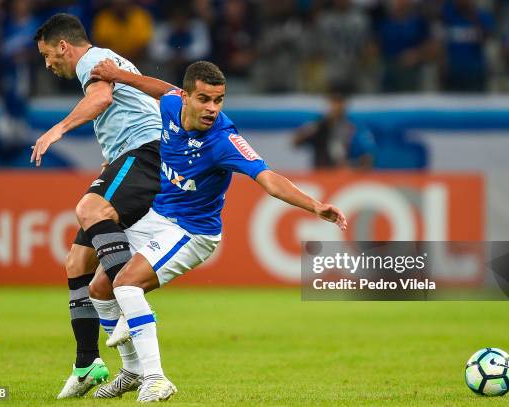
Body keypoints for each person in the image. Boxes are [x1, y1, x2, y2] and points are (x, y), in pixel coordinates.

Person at [86, 59, 348, 402]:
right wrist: (118, 75)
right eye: (204, 99)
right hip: (158, 216)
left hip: (193, 232)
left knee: (126, 285)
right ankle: (132, 370)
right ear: (186, 98)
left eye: (219, 100)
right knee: (100, 289)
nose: (212, 108)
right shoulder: (170, 104)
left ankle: (156, 378)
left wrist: (314, 205)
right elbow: (159, 88)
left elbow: (269, 179)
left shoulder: (225, 140)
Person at [32, 13, 162, 399]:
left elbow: (102, 98)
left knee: (89, 208)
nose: (47, 63)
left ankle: (126, 307)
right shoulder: (103, 61)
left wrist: (57, 129)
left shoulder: (91, 59)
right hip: (131, 153)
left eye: (46, 55)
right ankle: (87, 363)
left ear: (63, 46)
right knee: (77, 263)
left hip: (146, 152)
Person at [293, 92, 375, 169]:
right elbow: (296, 142)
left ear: (345, 105)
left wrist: (351, 167)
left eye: (339, 103)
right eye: (333, 103)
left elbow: (367, 158)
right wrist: (315, 127)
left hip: (344, 176)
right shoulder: (318, 124)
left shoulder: (354, 127)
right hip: (320, 174)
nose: (336, 107)